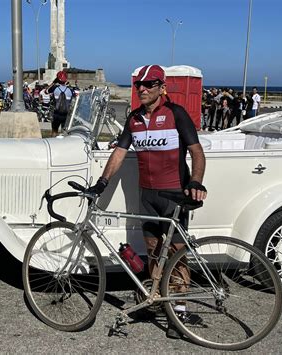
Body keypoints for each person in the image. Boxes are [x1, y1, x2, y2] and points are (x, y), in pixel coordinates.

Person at [85, 65, 207, 339]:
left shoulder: (176, 114)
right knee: (153, 251)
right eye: (139, 84)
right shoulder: (134, 119)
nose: (142, 88)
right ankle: (155, 300)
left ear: (162, 87)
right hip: (147, 196)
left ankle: (180, 311)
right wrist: (102, 184)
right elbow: (118, 153)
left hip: (173, 194)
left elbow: (197, 153)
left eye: (149, 84)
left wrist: (196, 182)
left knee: (176, 254)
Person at [47, 70, 75, 136]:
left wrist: (54, 82)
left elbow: (46, 91)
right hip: (66, 114)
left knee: (54, 130)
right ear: (65, 80)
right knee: (64, 132)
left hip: (56, 113)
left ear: (57, 79)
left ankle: (53, 143)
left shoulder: (54, 88)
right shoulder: (70, 90)